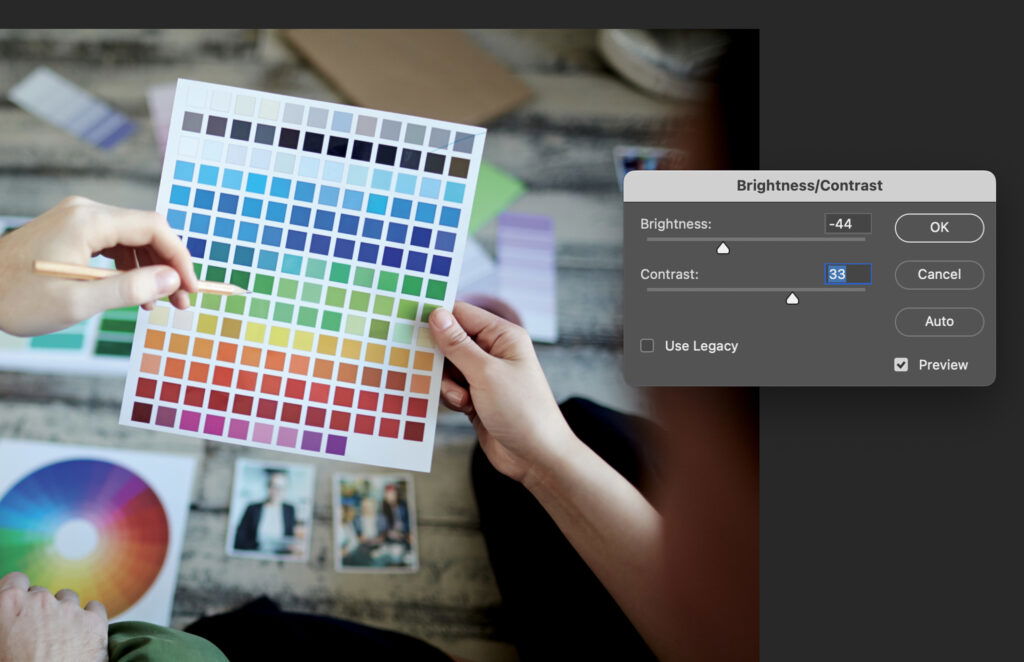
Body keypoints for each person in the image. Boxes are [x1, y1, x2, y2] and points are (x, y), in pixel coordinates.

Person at [232, 469, 297, 555]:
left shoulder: (290, 509)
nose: (278, 491)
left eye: (282, 487)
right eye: (274, 486)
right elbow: (239, 539)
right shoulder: (252, 508)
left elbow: (291, 537)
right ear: (268, 487)